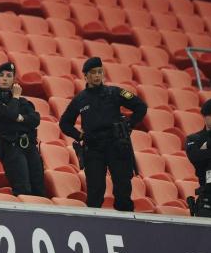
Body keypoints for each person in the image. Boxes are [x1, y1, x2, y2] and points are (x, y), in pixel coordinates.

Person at [59, 57, 148, 211]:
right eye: (93, 73)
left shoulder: (115, 92)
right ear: (85, 76)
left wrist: (129, 124)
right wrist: (79, 136)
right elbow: (64, 123)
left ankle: (126, 224)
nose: (98, 75)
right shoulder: (80, 99)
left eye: (100, 72)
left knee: (123, 187)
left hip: (117, 145)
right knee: (95, 191)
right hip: (94, 148)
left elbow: (141, 106)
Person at [0, 62, 46, 197]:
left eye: (9, 76)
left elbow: (35, 119)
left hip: (29, 146)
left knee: (39, 188)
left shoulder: (23, 101)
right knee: (23, 188)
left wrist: (20, 118)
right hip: (10, 147)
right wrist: (16, 99)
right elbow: (11, 115)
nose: (5, 78)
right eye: (1, 75)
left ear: (14, 79)